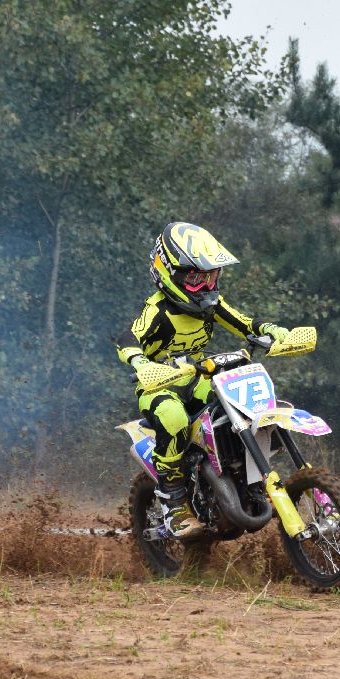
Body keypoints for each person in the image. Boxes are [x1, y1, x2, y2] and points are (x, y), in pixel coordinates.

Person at [115, 223, 289, 538]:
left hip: (196, 378)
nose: (206, 284)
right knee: (174, 416)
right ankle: (174, 503)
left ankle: (247, 478)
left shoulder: (209, 305)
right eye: (195, 277)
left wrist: (272, 331)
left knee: (242, 399)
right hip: (159, 386)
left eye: (210, 276)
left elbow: (244, 323)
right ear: (168, 271)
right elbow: (128, 338)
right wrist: (140, 362)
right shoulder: (159, 311)